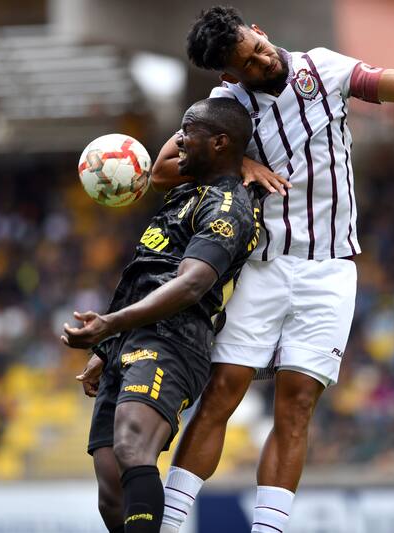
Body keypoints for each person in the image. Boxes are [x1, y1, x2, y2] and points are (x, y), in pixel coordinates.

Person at [78, 6, 394, 533]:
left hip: (329, 270)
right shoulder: (225, 107)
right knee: (223, 391)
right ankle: (169, 523)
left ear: (256, 30)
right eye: (249, 64)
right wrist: (240, 162)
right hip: (263, 266)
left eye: (257, 46)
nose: (264, 60)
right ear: (230, 75)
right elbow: (162, 168)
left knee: (298, 402)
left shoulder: (322, 69)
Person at [63, 97, 260, 533]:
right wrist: (107, 346)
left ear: (221, 143)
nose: (178, 142)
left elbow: (192, 284)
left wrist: (111, 324)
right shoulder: (186, 192)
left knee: (134, 446)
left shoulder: (228, 208)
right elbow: (147, 272)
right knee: (111, 486)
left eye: (187, 132)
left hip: (173, 339)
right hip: (128, 339)